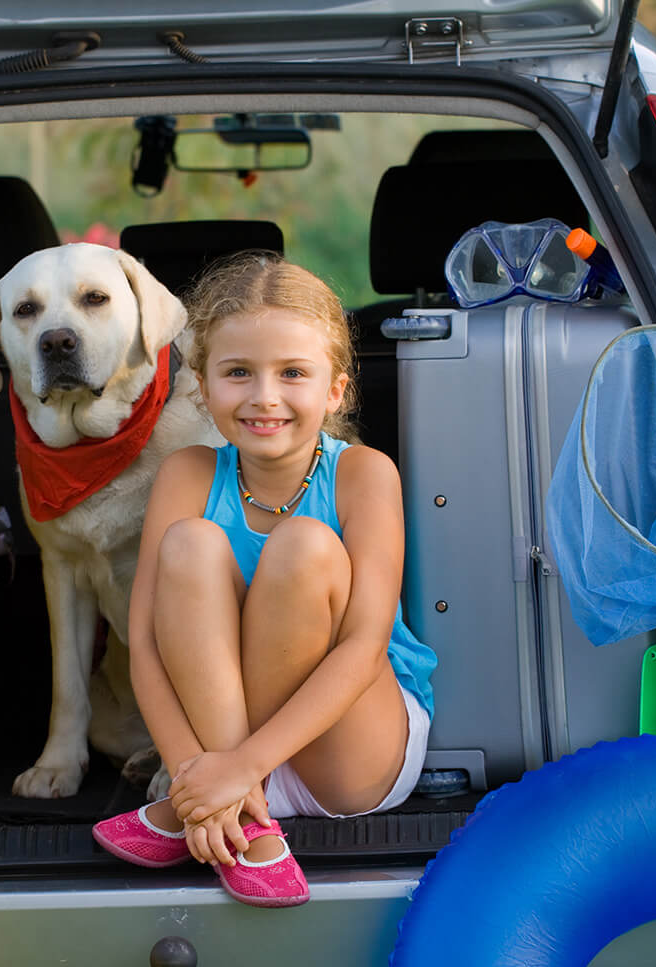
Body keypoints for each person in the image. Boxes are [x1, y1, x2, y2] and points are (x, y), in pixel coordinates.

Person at [91, 253, 437, 908]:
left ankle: (219, 802)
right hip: (222, 752)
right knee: (188, 544)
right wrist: (196, 770)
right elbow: (145, 642)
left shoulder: (365, 474)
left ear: (336, 390)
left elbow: (364, 648)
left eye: (293, 373)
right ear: (202, 383)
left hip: (347, 745)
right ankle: (241, 820)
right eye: (239, 372)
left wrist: (232, 771)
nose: (264, 396)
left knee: (303, 544)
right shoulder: (188, 474)